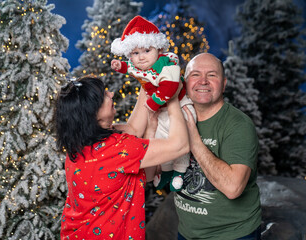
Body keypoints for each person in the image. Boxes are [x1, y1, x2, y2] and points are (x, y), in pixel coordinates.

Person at [54, 76, 189, 240]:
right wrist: (172, 96)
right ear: (93, 112)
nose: (111, 94)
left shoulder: (80, 142)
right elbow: (180, 144)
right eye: (104, 95)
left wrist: (147, 79)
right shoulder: (118, 149)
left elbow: (133, 128)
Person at [175, 53, 261, 240]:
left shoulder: (238, 125)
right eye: (195, 74)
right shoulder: (175, 118)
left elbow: (233, 188)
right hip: (187, 233)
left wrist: (192, 136)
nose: (203, 81)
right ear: (185, 82)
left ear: (224, 84)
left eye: (212, 75)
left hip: (233, 235)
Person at [110, 15, 197, 191]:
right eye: (135, 53)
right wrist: (121, 66)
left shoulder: (166, 63)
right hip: (161, 109)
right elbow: (131, 68)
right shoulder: (141, 65)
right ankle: (165, 171)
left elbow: (169, 87)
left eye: (146, 51)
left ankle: (180, 171)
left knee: (181, 133)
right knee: (160, 139)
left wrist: (152, 104)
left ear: (158, 49)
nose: (141, 58)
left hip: (179, 105)